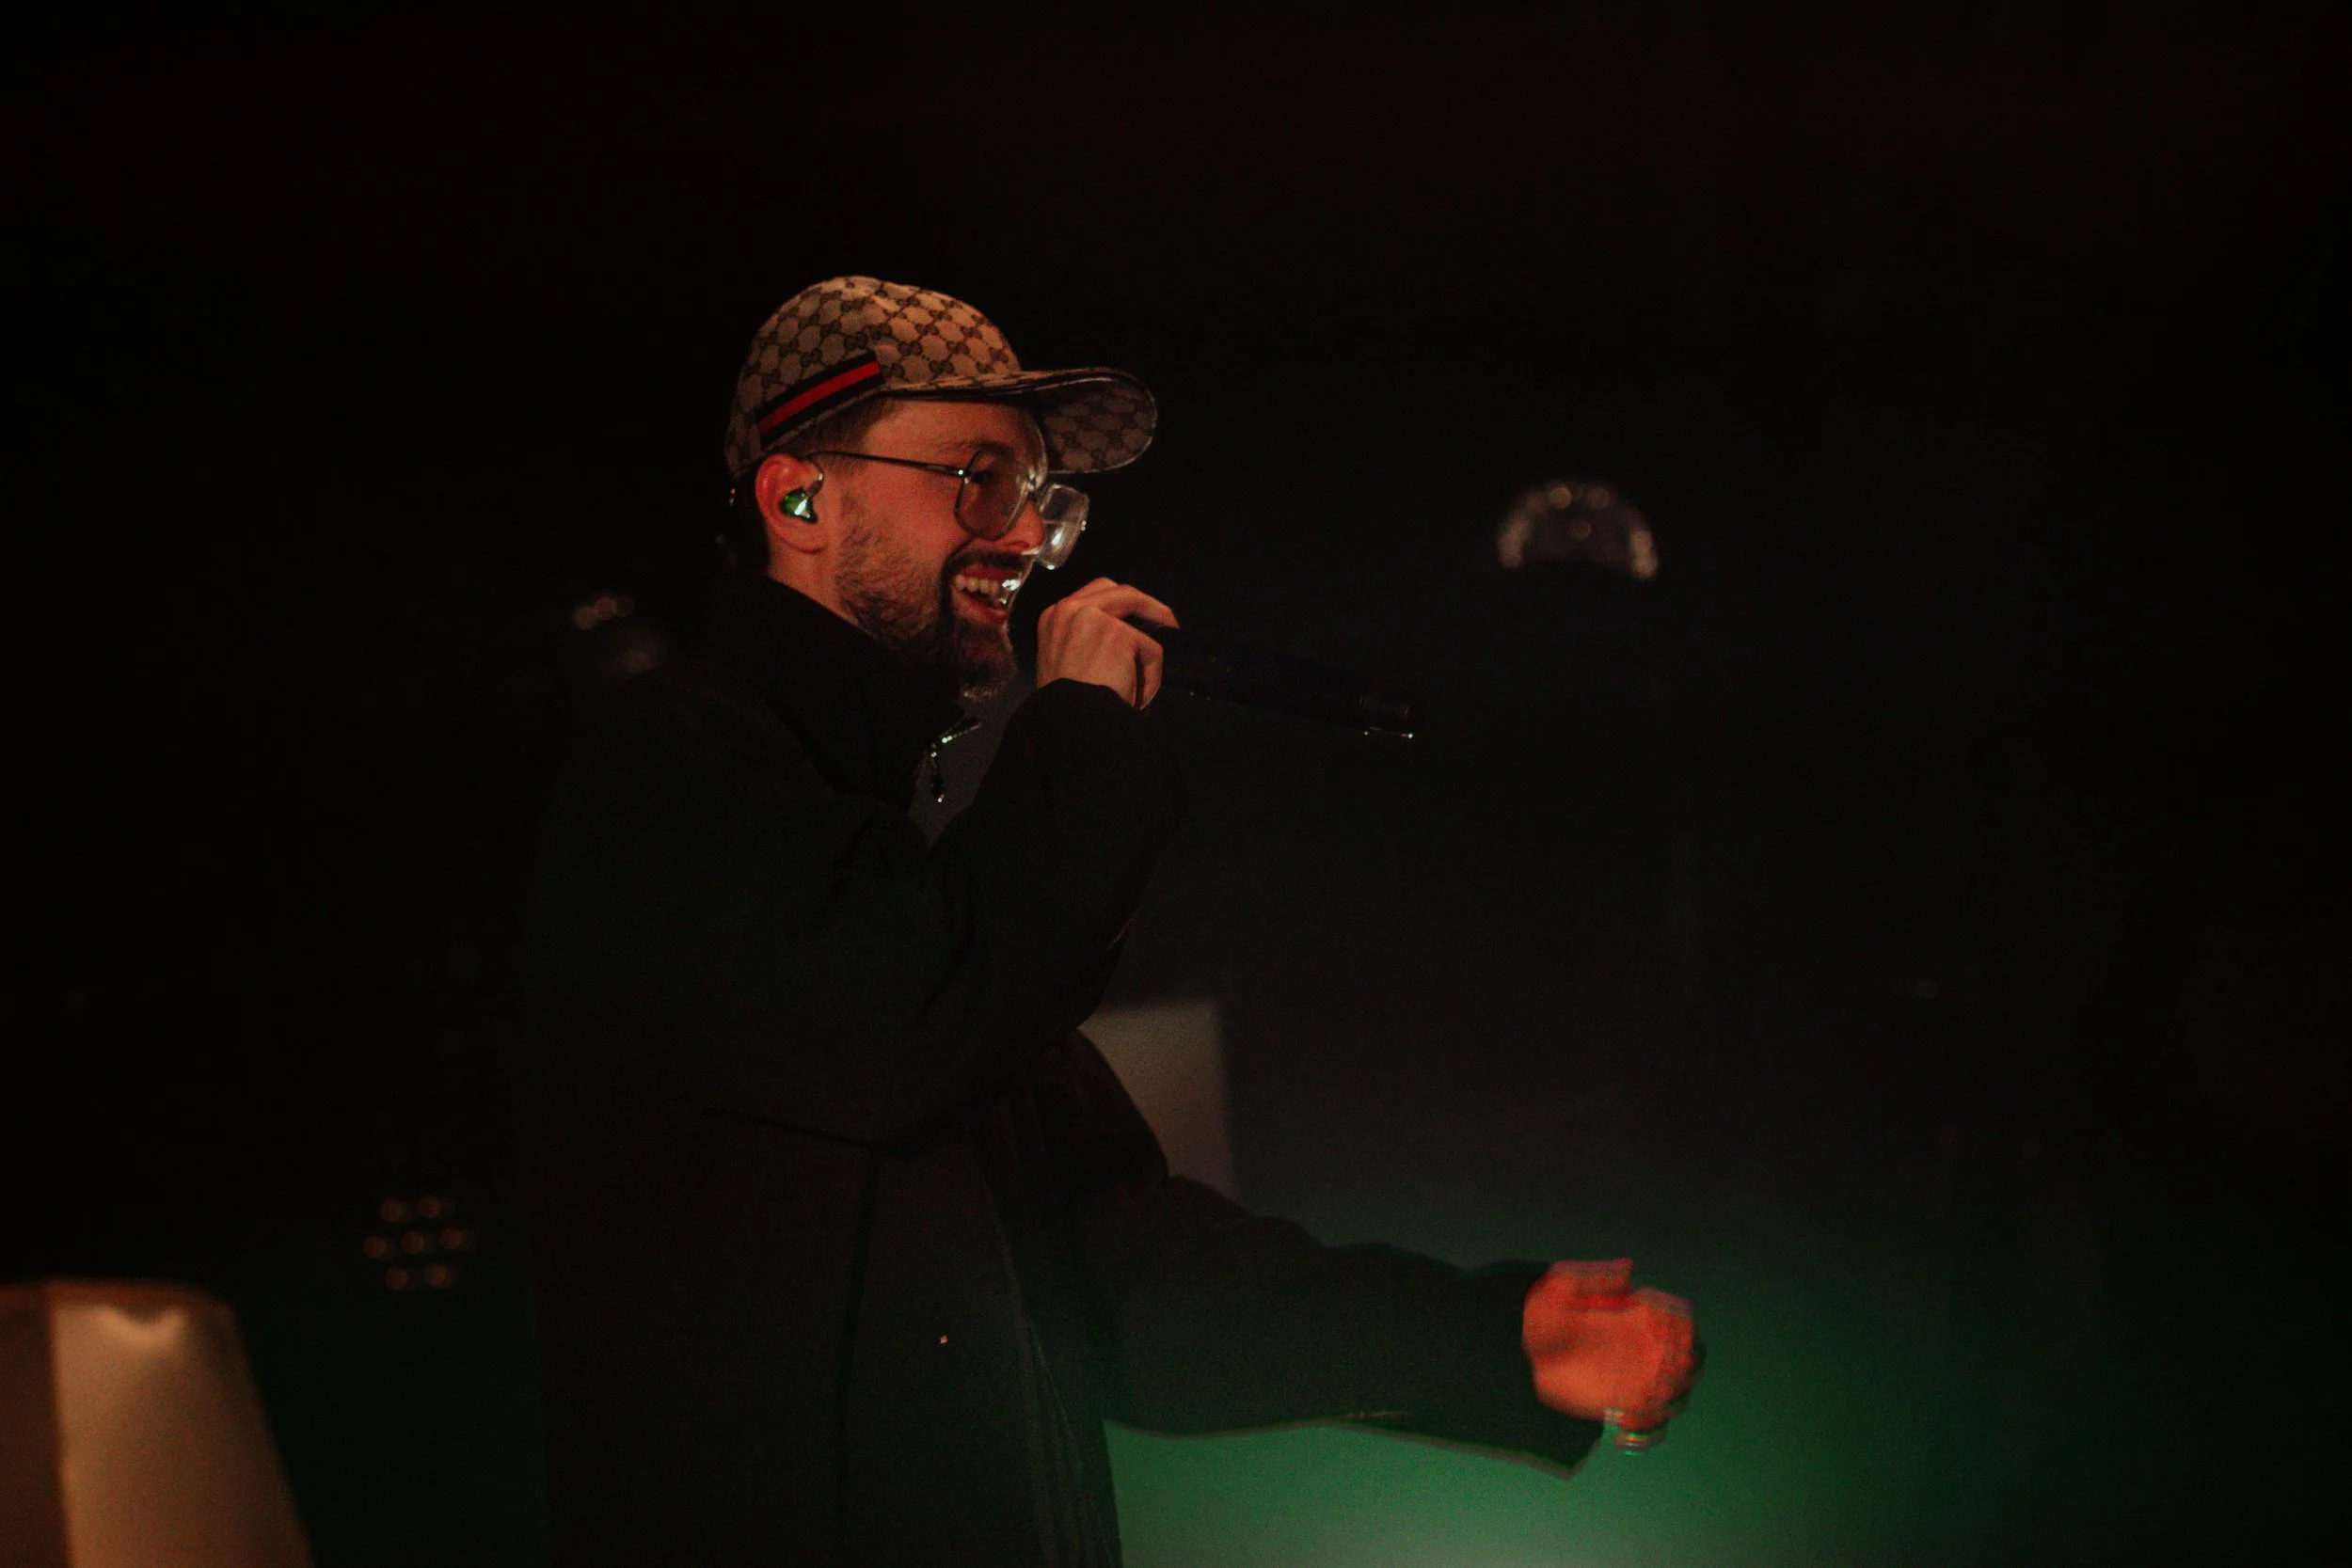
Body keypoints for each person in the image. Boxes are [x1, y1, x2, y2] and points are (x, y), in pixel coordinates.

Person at [520, 276, 1699, 1566]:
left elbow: (1130, 1278)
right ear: (800, 495)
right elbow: (912, 1009)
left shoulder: (919, 858)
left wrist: (1491, 1336)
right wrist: (1075, 734)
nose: (1024, 539)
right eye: (975, 476)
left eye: (1039, 497)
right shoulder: (673, 780)